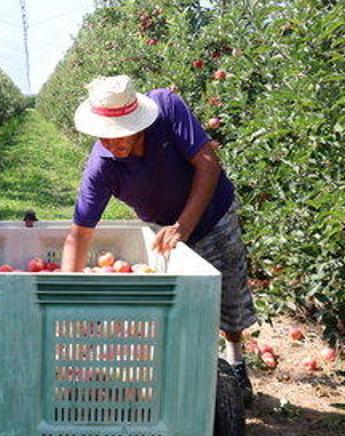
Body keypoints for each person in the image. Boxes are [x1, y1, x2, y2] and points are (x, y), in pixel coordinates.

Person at [60, 75, 257, 403]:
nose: (112, 143)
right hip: (163, 230)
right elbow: (79, 234)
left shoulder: (167, 107)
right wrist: (67, 297)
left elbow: (208, 163)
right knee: (177, 308)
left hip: (211, 214)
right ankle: (184, 372)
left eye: (119, 133)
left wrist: (185, 225)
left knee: (229, 294)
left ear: (138, 121)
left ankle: (236, 360)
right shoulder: (102, 166)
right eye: (104, 136)